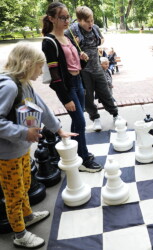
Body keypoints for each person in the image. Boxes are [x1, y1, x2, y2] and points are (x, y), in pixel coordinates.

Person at [0, 42, 78, 249]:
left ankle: (28, 215)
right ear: (27, 64)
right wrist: (25, 132)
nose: (41, 72)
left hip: (21, 148)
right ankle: (20, 234)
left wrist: (59, 130)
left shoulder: (24, 83)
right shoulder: (8, 86)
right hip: (6, 154)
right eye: (38, 66)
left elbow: (41, 108)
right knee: (14, 195)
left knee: (24, 185)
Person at [42, 2, 102, 172]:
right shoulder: (49, 42)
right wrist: (66, 98)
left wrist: (82, 60)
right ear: (51, 18)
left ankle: (75, 154)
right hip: (68, 88)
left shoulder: (68, 37)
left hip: (78, 82)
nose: (67, 20)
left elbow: (75, 66)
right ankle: (83, 159)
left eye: (68, 17)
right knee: (80, 121)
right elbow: (55, 77)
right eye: (62, 17)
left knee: (78, 122)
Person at [65, 6, 119, 132]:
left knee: (105, 92)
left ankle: (116, 115)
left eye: (92, 20)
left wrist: (100, 41)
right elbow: (65, 48)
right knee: (88, 97)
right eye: (87, 21)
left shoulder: (94, 28)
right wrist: (73, 44)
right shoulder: (71, 32)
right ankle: (95, 118)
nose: (91, 23)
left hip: (97, 67)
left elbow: (102, 39)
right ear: (79, 20)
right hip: (83, 71)